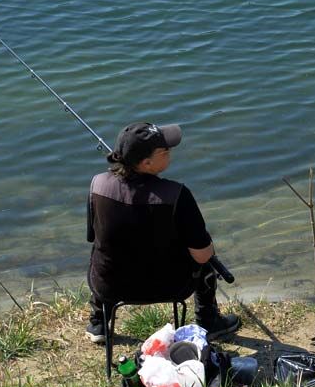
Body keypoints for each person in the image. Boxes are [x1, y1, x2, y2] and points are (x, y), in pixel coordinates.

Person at [85, 121, 240, 343]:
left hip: (110, 286)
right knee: (206, 258)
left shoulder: (97, 184)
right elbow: (202, 255)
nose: (170, 151)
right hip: (170, 286)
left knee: (100, 249)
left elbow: (93, 235)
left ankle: (99, 322)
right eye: (165, 150)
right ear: (147, 163)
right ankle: (208, 320)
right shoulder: (177, 194)